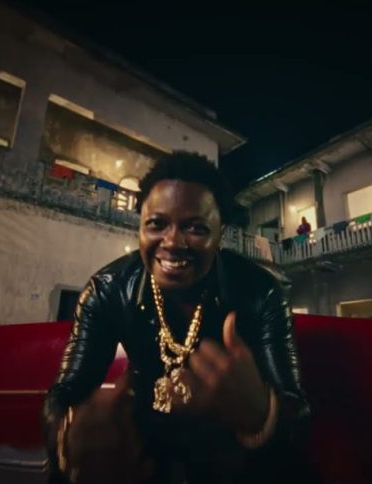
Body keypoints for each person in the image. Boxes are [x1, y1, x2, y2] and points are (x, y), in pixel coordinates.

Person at [43, 152, 312, 484]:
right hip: (141, 447)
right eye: (157, 224)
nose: (172, 242)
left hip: (229, 451)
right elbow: (65, 392)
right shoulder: (106, 290)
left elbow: (297, 411)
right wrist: (68, 435)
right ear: (140, 226)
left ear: (220, 233)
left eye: (196, 228)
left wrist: (261, 412)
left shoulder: (261, 292)